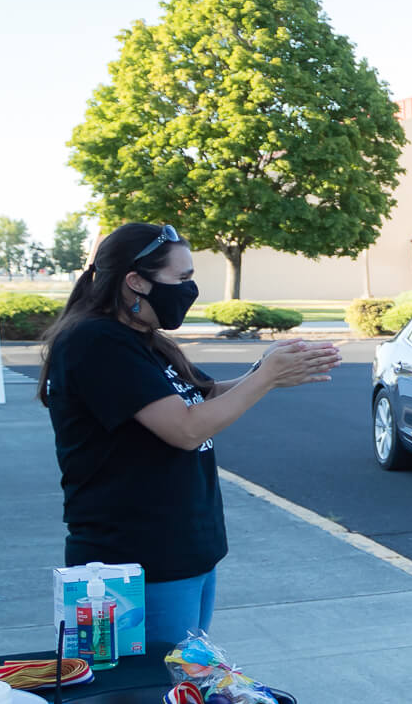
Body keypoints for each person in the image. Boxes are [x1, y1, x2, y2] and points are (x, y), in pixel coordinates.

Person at [39, 222, 340, 644]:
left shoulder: (144, 339)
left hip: (183, 553)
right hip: (134, 561)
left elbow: (201, 396)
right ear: (135, 282)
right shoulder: (95, 341)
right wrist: (265, 379)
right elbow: (183, 428)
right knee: (145, 696)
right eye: (181, 279)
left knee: (183, 691)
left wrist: (267, 369)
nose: (190, 288)